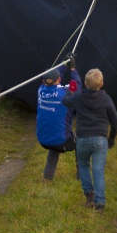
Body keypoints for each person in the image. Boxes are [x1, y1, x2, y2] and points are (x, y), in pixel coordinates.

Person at [62, 68, 117, 212]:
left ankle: (89, 195)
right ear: (102, 83)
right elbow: (115, 121)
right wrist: (111, 138)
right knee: (98, 171)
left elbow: (65, 101)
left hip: (82, 138)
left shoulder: (78, 97)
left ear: (86, 83)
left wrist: (70, 90)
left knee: (83, 166)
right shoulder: (106, 99)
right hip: (100, 139)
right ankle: (100, 203)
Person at [36, 54, 81, 182]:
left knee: (55, 141)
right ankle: (81, 174)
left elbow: (53, 76)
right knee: (80, 141)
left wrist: (64, 63)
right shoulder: (66, 93)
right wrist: (73, 69)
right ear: (59, 80)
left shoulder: (41, 90)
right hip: (61, 140)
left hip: (43, 139)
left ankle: (47, 176)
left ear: (43, 81)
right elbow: (77, 85)